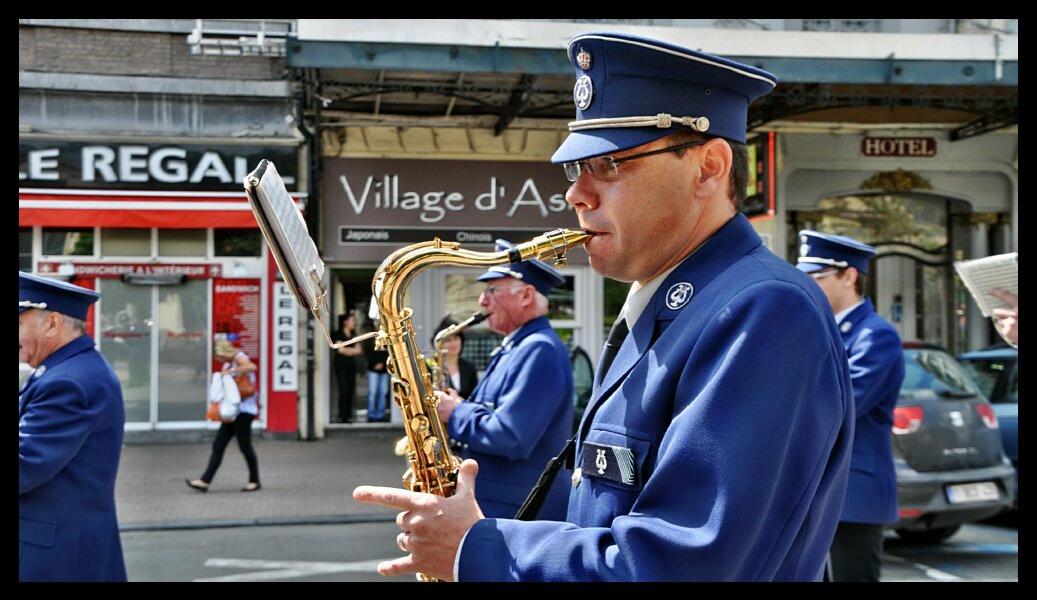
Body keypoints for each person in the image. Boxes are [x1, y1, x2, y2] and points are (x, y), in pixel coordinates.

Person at [354, 31, 854, 582]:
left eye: (611, 164)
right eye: (577, 168)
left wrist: (481, 548)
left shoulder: (763, 309)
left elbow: (684, 563)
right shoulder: (677, 300)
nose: (576, 194)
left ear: (709, 167)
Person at [433, 247, 574, 519]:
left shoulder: (538, 349)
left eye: (492, 291)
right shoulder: (519, 346)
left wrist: (456, 411)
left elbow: (510, 437)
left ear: (526, 296)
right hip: (505, 506)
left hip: (516, 512)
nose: (482, 300)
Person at [797, 231, 904, 582]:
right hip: (820, 489)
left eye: (816, 277)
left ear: (849, 276)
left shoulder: (875, 335)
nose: (808, 286)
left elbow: (844, 403)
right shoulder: (821, 329)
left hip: (855, 493)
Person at [19, 272, 127, 581]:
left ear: (52, 323)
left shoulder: (68, 381)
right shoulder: (68, 370)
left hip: (56, 559)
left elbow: (25, 463)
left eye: (19, 324)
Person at [186, 338, 261, 492]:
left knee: (245, 446)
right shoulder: (228, 363)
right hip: (232, 411)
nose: (220, 360)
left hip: (244, 411)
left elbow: (252, 366)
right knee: (219, 445)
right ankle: (204, 481)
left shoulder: (239, 357)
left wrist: (231, 371)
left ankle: (255, 480)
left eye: (220, 357)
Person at [431, 316, 480, 400]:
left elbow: (475, 398)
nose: (453, 343)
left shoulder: (470, 367)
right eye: (448, 340)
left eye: (456, 338)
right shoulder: (430, 367)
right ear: (439, 343)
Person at [331, 312, 363, 423]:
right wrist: (351, 350)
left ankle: (348, 416)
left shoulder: (354, 334)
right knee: (343, 390)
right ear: (345, 322)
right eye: (352, 320)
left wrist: (346, 350)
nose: (354, 323)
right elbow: (340, 350)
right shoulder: (338, 333)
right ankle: (342, 416)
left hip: (351, 367)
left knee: (350, 390)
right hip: (341, 366)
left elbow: (358, 350)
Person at [362, 320, 391, 422]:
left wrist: (383, 363)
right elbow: (367, 353)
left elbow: (389, 353)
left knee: (383, 392)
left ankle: (380, 415)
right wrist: (374, 364)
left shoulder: (387, 338)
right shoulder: (370, 338)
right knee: (373, 393)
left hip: (384, 369)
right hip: (372, 369)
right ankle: (371, 415)